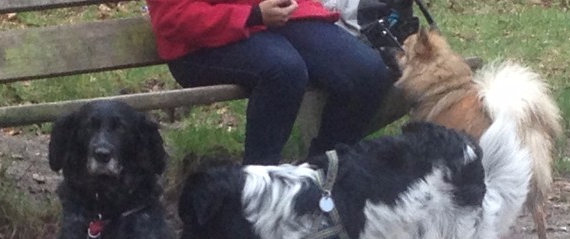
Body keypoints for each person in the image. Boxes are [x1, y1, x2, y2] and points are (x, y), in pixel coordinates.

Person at [147, 0, 395, 164]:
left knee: (367, 73)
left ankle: (322, 178)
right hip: (198, 43)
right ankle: (258, 190)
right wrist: (254, 14)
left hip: (276, 21)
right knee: (283, 71)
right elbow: (174, 19)